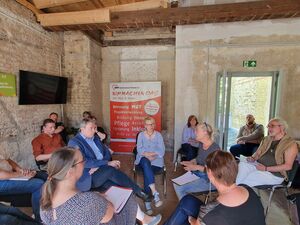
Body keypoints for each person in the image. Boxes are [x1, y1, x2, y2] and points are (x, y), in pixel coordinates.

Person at [40, 147, 162, 225]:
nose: (84, 164)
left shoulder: (45, 202)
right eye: (82, 161)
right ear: (69, 172)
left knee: (112, 183)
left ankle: (143, 217)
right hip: (101, 206)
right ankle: (143, 217)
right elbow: (109, 213)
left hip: (93, 186)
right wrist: (101, 199)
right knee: (126, 196)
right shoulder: (87, 201)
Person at [164, 151, 266, 225]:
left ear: (209, 173)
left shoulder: (209, 212)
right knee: (187, 200)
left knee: (183, 218)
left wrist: (191, 220)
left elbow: (197, 222)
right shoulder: (247, 188)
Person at [68, 118, 150, 201]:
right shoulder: (74, 142)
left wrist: (101, 165)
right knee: (110, 170)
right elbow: (84, 162)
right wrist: (106, 163)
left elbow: (106, 153)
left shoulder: (95, 138)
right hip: (88, 177)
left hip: (102, 173)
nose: (94, 131)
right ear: (82, 129)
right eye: (91, 128)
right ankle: (140, 192)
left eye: (95, 128)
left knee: (120, 188)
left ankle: (139, 203)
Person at [236, 117, 298, 187]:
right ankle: (236, 188)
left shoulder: (290, 144)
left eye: (272, 126)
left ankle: (238, 191)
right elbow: (258, 152)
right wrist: (253, 158)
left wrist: (266, 169)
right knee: (242, 165)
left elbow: (288, 166)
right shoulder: (266, 139)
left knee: (248, 179)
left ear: (281, 127)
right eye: (268, 126)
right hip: (258, 165)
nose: (269, 128)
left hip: (274, 174)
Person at [173, 122, 220, 200]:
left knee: (178, 187)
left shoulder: (215, 149)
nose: (194, 132)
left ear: (205, 132)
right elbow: (198, 158)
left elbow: (214, 171)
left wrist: (196, 167)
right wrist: (192, 162)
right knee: (176, 184)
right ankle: (187, 205)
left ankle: (187, 208)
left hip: (209, 180)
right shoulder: (202, 144)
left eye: (197, 130)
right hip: (199, 174)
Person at [0, 152, 44, 221]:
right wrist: (21, 174)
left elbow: (9, 161)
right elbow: (1, 175)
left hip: (9, 174)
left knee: (39, 175)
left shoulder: (1, 148)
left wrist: (21, 170)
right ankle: (39, 218)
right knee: (38, 184)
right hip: (2, 180)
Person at [135, 117, 165, 214]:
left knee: (147, 171)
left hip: (156, 162)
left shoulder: (159, 135)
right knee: (145, 162)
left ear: (154, 125)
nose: (150, 126)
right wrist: (148, 155)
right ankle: (155, 194)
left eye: (152, 124)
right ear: (145, 126)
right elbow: (139, 150)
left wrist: (152, 155)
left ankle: (148, 202)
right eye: (148, 124)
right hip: (142, 161)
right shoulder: (141, 135)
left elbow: (162, 150)